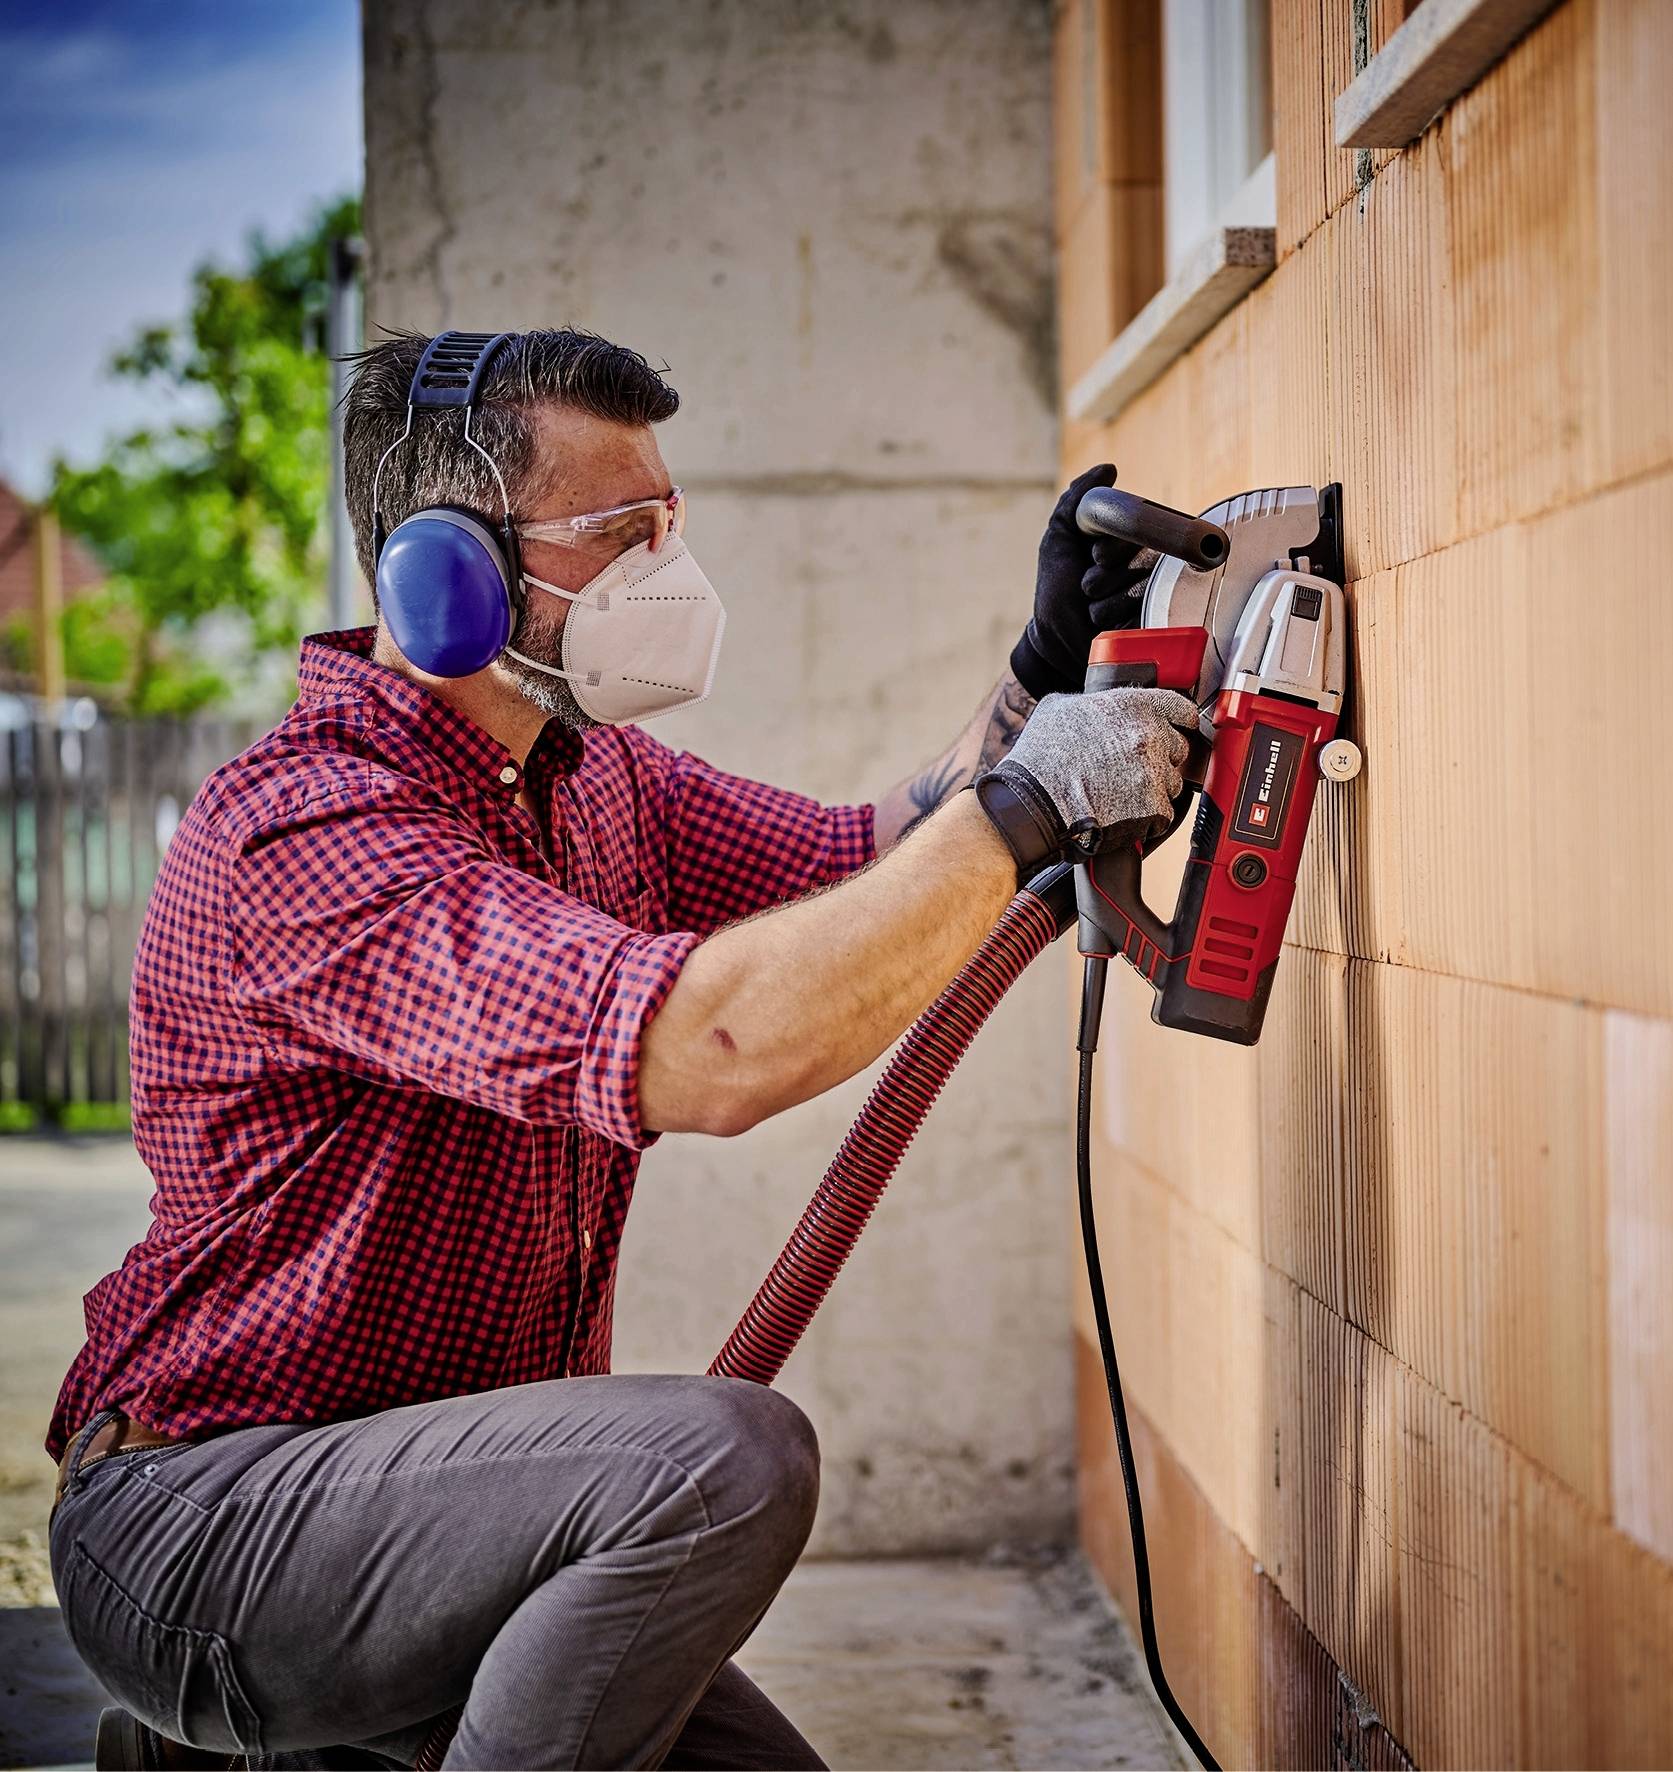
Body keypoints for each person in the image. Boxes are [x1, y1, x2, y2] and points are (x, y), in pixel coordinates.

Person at [46, 329, 1196, 1772]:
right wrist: (1025, 810)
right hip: (206, 1533)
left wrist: (1032, 685)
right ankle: (248, 1728)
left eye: (673, 525)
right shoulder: (306, 833)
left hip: (440, 1524)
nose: (670, 574)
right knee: (720, 1459)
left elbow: (872, 870)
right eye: (622, 533)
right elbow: (709, 1045)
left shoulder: (596, 783)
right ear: (438, 573)